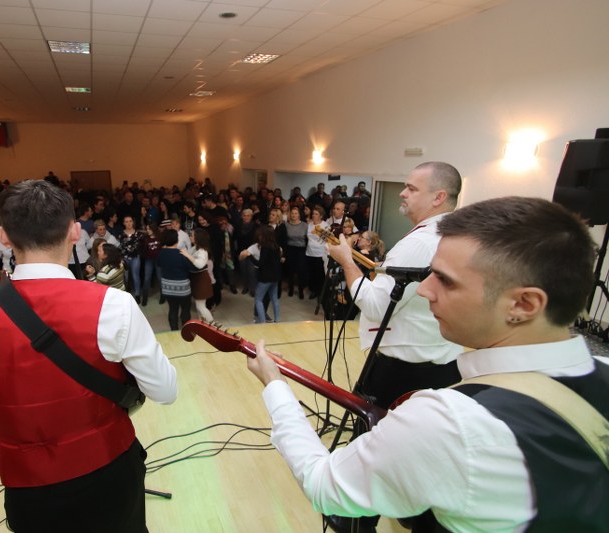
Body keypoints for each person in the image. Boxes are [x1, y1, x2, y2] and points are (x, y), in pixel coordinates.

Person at [247, 196, 608, 531]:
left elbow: (324, 485)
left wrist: (276, 386)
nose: (423, 289)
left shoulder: (452, 423)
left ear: (523, 304)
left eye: (446, 281)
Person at [0, 179, 177, 532]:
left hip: (26, 484)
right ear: (74, 232)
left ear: (3, 236)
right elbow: (165, 391)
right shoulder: (113, 305)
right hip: (107, 469)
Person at [326, 161, 464, 411]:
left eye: (412, 189)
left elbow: (375, 306)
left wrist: (346, 261)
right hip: (441, 362)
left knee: (375, 430)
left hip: (406, 371)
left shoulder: (419, 243)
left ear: (438, 197)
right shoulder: (458, 233)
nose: (402, 193)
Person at [157, 228, 194, 331]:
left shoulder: (161, 253)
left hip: (167, 287)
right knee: (185, 309)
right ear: (177, 240)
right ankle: (186, 330)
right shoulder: (182, 254)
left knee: (173, 309)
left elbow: (159, 264)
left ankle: (174, 331)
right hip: (183, 288)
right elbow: (191, 268)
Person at [180, 228, 214, 323]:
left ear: (198, 238)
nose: (190, 237)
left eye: (192, 235)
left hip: (201, 280)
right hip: (196, 279)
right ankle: (202, 324)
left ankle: (213, 326)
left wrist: (187, 255)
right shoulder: (194, 248)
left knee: (201, 306)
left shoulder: (202, 251)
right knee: (199, 306)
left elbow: (199, 264)